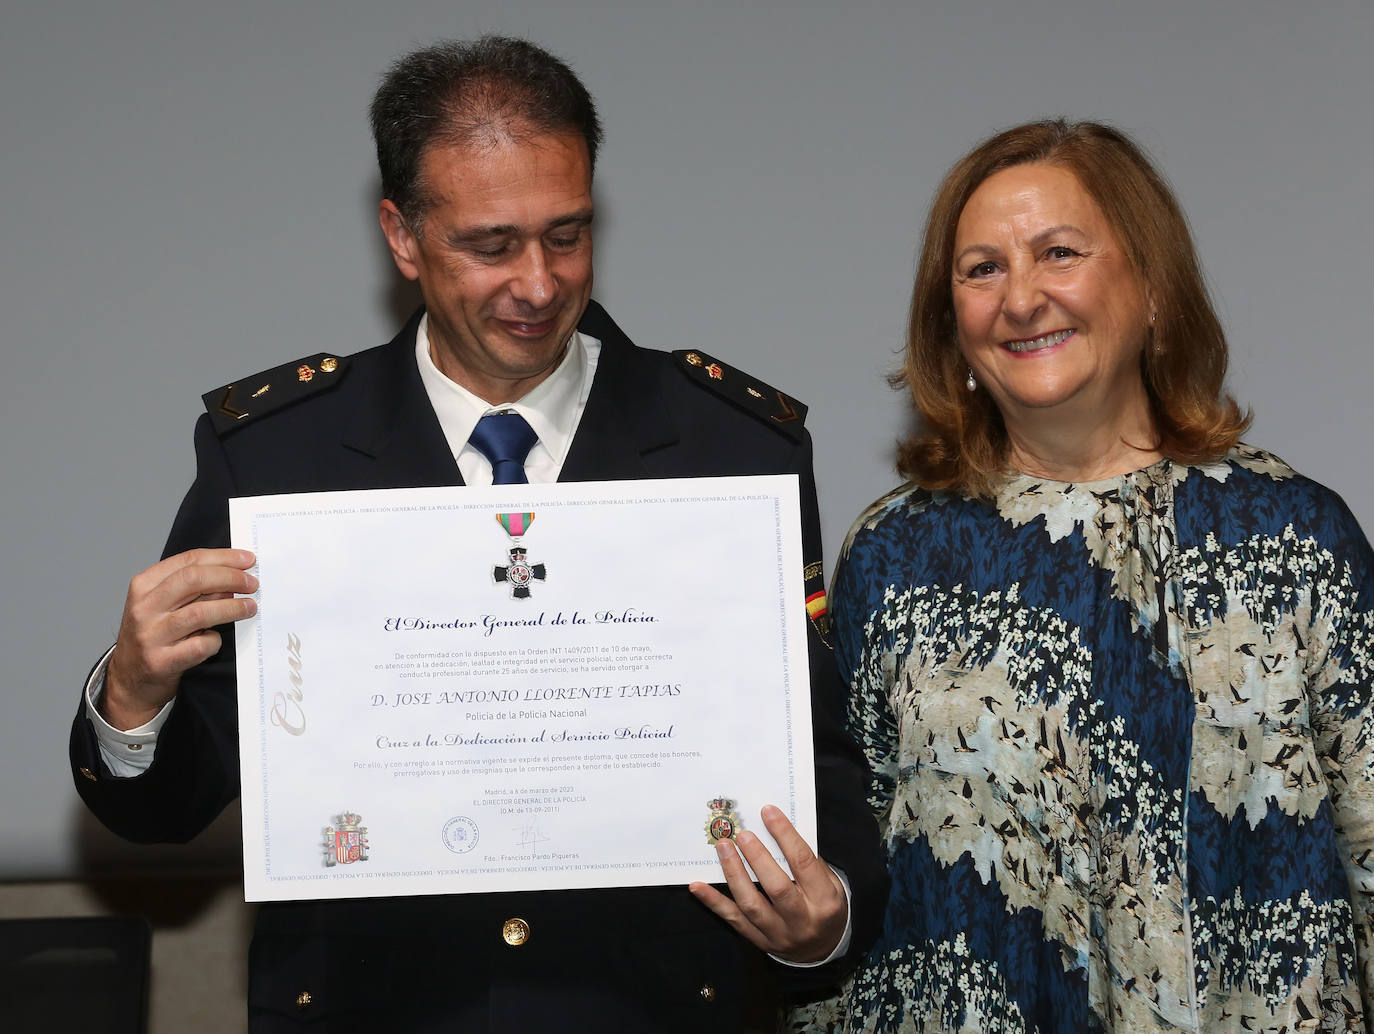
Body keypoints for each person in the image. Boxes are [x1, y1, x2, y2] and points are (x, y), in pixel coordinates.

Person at [69, 36, 885, 1033]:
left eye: (568, 234)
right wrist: (131, 696)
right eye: (492, 245)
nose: (539, 284)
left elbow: (819, 759)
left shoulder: (731, 445)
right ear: (403, 239)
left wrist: (823, 920)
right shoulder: (281, 456)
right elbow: (170, 808)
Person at [793, 119, 1374, 1033]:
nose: (1020, 298)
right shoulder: (892, 559)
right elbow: (843, 872)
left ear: (1151, 287)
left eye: (1058, 252)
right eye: (981, 269)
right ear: (951, 321)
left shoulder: (1297, 536)